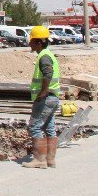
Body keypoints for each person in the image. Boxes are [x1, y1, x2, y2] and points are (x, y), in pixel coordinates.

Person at [22, 26, 61, 169]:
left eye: (31, 41)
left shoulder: (44, 56)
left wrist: (43, 92)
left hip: (46, 98)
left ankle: (40, 159)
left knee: (34, 127)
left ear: (38, 42)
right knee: (49, 127)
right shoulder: (48, 54)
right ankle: (50, 160)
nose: (29, 44)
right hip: (53, 97)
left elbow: (47, 74)